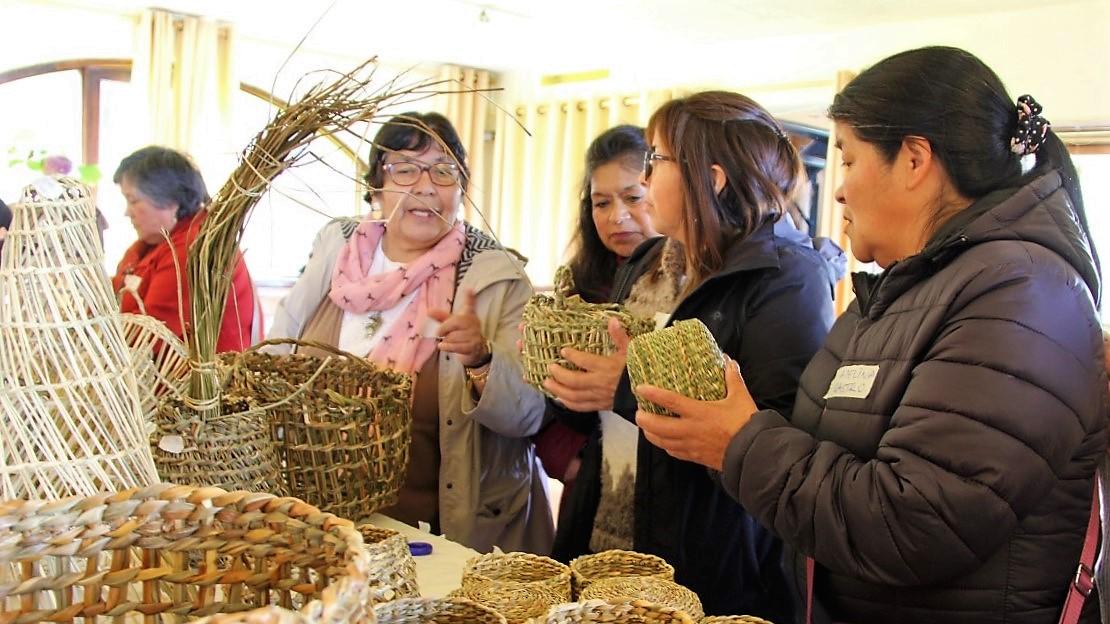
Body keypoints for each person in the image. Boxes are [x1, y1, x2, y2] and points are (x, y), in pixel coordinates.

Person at [636, 46, 1105, 624]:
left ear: (913, 159)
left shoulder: (1025, 292)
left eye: (850, 160)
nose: (837, 189)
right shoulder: (907, 289)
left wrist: (742, 444)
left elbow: (916, 523)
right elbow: (824, 452)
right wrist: (725, 429)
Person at [546, 91, 838, 619]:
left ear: (714, 178)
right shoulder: (649, 259)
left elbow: (779, 436)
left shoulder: (787, 275)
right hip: (607, 527)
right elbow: (605, 408)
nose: (647, 176)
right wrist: (568, 376)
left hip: (710, 559)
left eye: (657, 160)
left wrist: (624, 385)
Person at [268, 111, 553, 554]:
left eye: (443, 171)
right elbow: (274, 368)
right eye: (404, 169)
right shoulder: (334, 257)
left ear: (460, 189)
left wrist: (481, 358)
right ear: (376, 185)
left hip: (433, 537)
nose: (425, 186)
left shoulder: (494, 277)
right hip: (322, 527)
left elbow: (528, 416)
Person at [536, 124, 683, 552]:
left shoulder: (695, 287)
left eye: (633, 198)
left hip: (667, 502)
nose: (616, 216)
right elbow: (564, 409)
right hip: (594, 493)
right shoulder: (579, 288)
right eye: (601, 202)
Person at [111, 146, 256, 352]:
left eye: (133, 200)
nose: (127, 212)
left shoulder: (195, 249)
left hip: (197, 381)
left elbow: (148, 339)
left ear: (170, 201)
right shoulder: (152, 244)